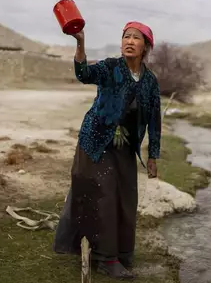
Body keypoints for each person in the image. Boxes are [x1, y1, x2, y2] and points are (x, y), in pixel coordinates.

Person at [53, 21, 161, 280]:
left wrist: (153, 154)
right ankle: (105, 259)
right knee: (104, 197)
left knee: (126, 198)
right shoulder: (111, 67)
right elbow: (83, 75)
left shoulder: (150, 81)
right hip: (95, 142)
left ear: (146, 46)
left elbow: (155, 119)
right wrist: (80, 44)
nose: (129, 41)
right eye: (126, 36)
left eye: (136, 38)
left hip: (124, 147)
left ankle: (121, 253)